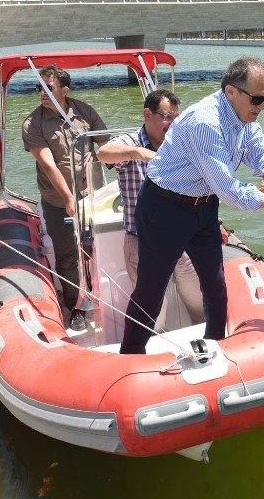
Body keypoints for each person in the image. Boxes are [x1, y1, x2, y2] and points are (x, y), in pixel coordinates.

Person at [120, 57, 264, 355]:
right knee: (150, 291)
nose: (262, 106)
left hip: (203, 207)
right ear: (231, 92)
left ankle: (215, 347)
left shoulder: (246, 117)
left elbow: (259, 155)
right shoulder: (204, 122)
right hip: (164, 208)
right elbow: (230, 191)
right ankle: (129, 356)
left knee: (215, 284)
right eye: (258, 99)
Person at [96, 88, 226, 323]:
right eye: (166, 117)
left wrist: (216, 223)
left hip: (185, 240)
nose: (171, 124)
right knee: (152, 314)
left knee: (200, 300)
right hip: (144, 242)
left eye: (176, 118)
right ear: (148, 114)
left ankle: (211, 343)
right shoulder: (131, 142)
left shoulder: (181, 144)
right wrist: (139, 153)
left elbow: (203, 188)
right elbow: (103, 153)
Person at [22, 65, 109, 330]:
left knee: (96, 249)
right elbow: (48, 165)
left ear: (64, 90)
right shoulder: (32, 123)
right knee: (67, 254)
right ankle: (74, 306)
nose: (42, 92)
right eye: (39, 87)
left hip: (93, 197)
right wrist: (69, 199)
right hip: (59, 202)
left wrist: (129, 165)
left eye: (48, 87)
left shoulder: (85, 112)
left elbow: (105, 145)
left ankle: (103, 297)